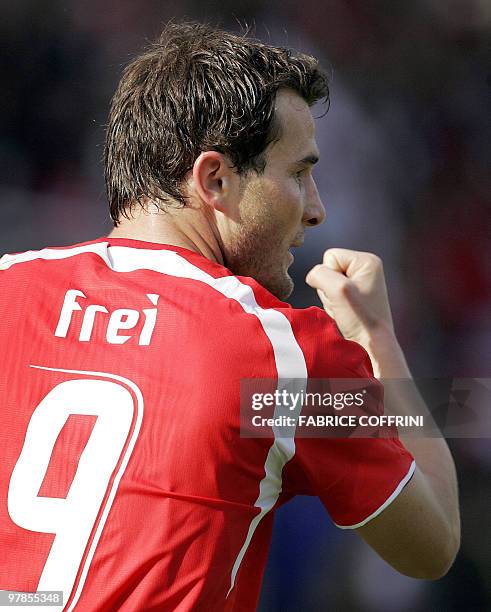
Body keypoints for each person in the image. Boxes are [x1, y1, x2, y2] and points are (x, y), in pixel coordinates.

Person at [0, 21, 460, 611]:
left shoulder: (12, 285)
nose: (317, 210)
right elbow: (434, 541)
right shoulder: (279, 359)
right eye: (299, 173)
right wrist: (377, 339)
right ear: (215, 178)